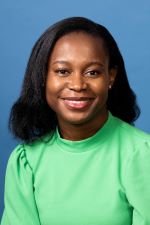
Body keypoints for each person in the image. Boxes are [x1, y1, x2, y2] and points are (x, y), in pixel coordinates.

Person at [1, 16, 150, 225]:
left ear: (111, 77)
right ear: (43, 77)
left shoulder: (142, 155)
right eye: (62, 71)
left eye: (92, 72)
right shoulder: (26, 162)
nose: (78, 85)